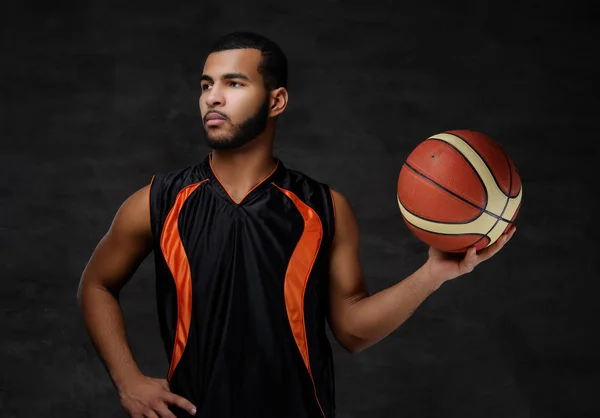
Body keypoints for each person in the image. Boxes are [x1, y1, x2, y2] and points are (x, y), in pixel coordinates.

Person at [76, 31, 516, 418]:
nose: (213, 96)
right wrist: (128, 381)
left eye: (234, 83)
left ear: (277, 100)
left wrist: (433, 274)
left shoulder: (323, 208)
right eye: (206, 85)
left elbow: (353, 331)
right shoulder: (159, 200)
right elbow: (95, 285)